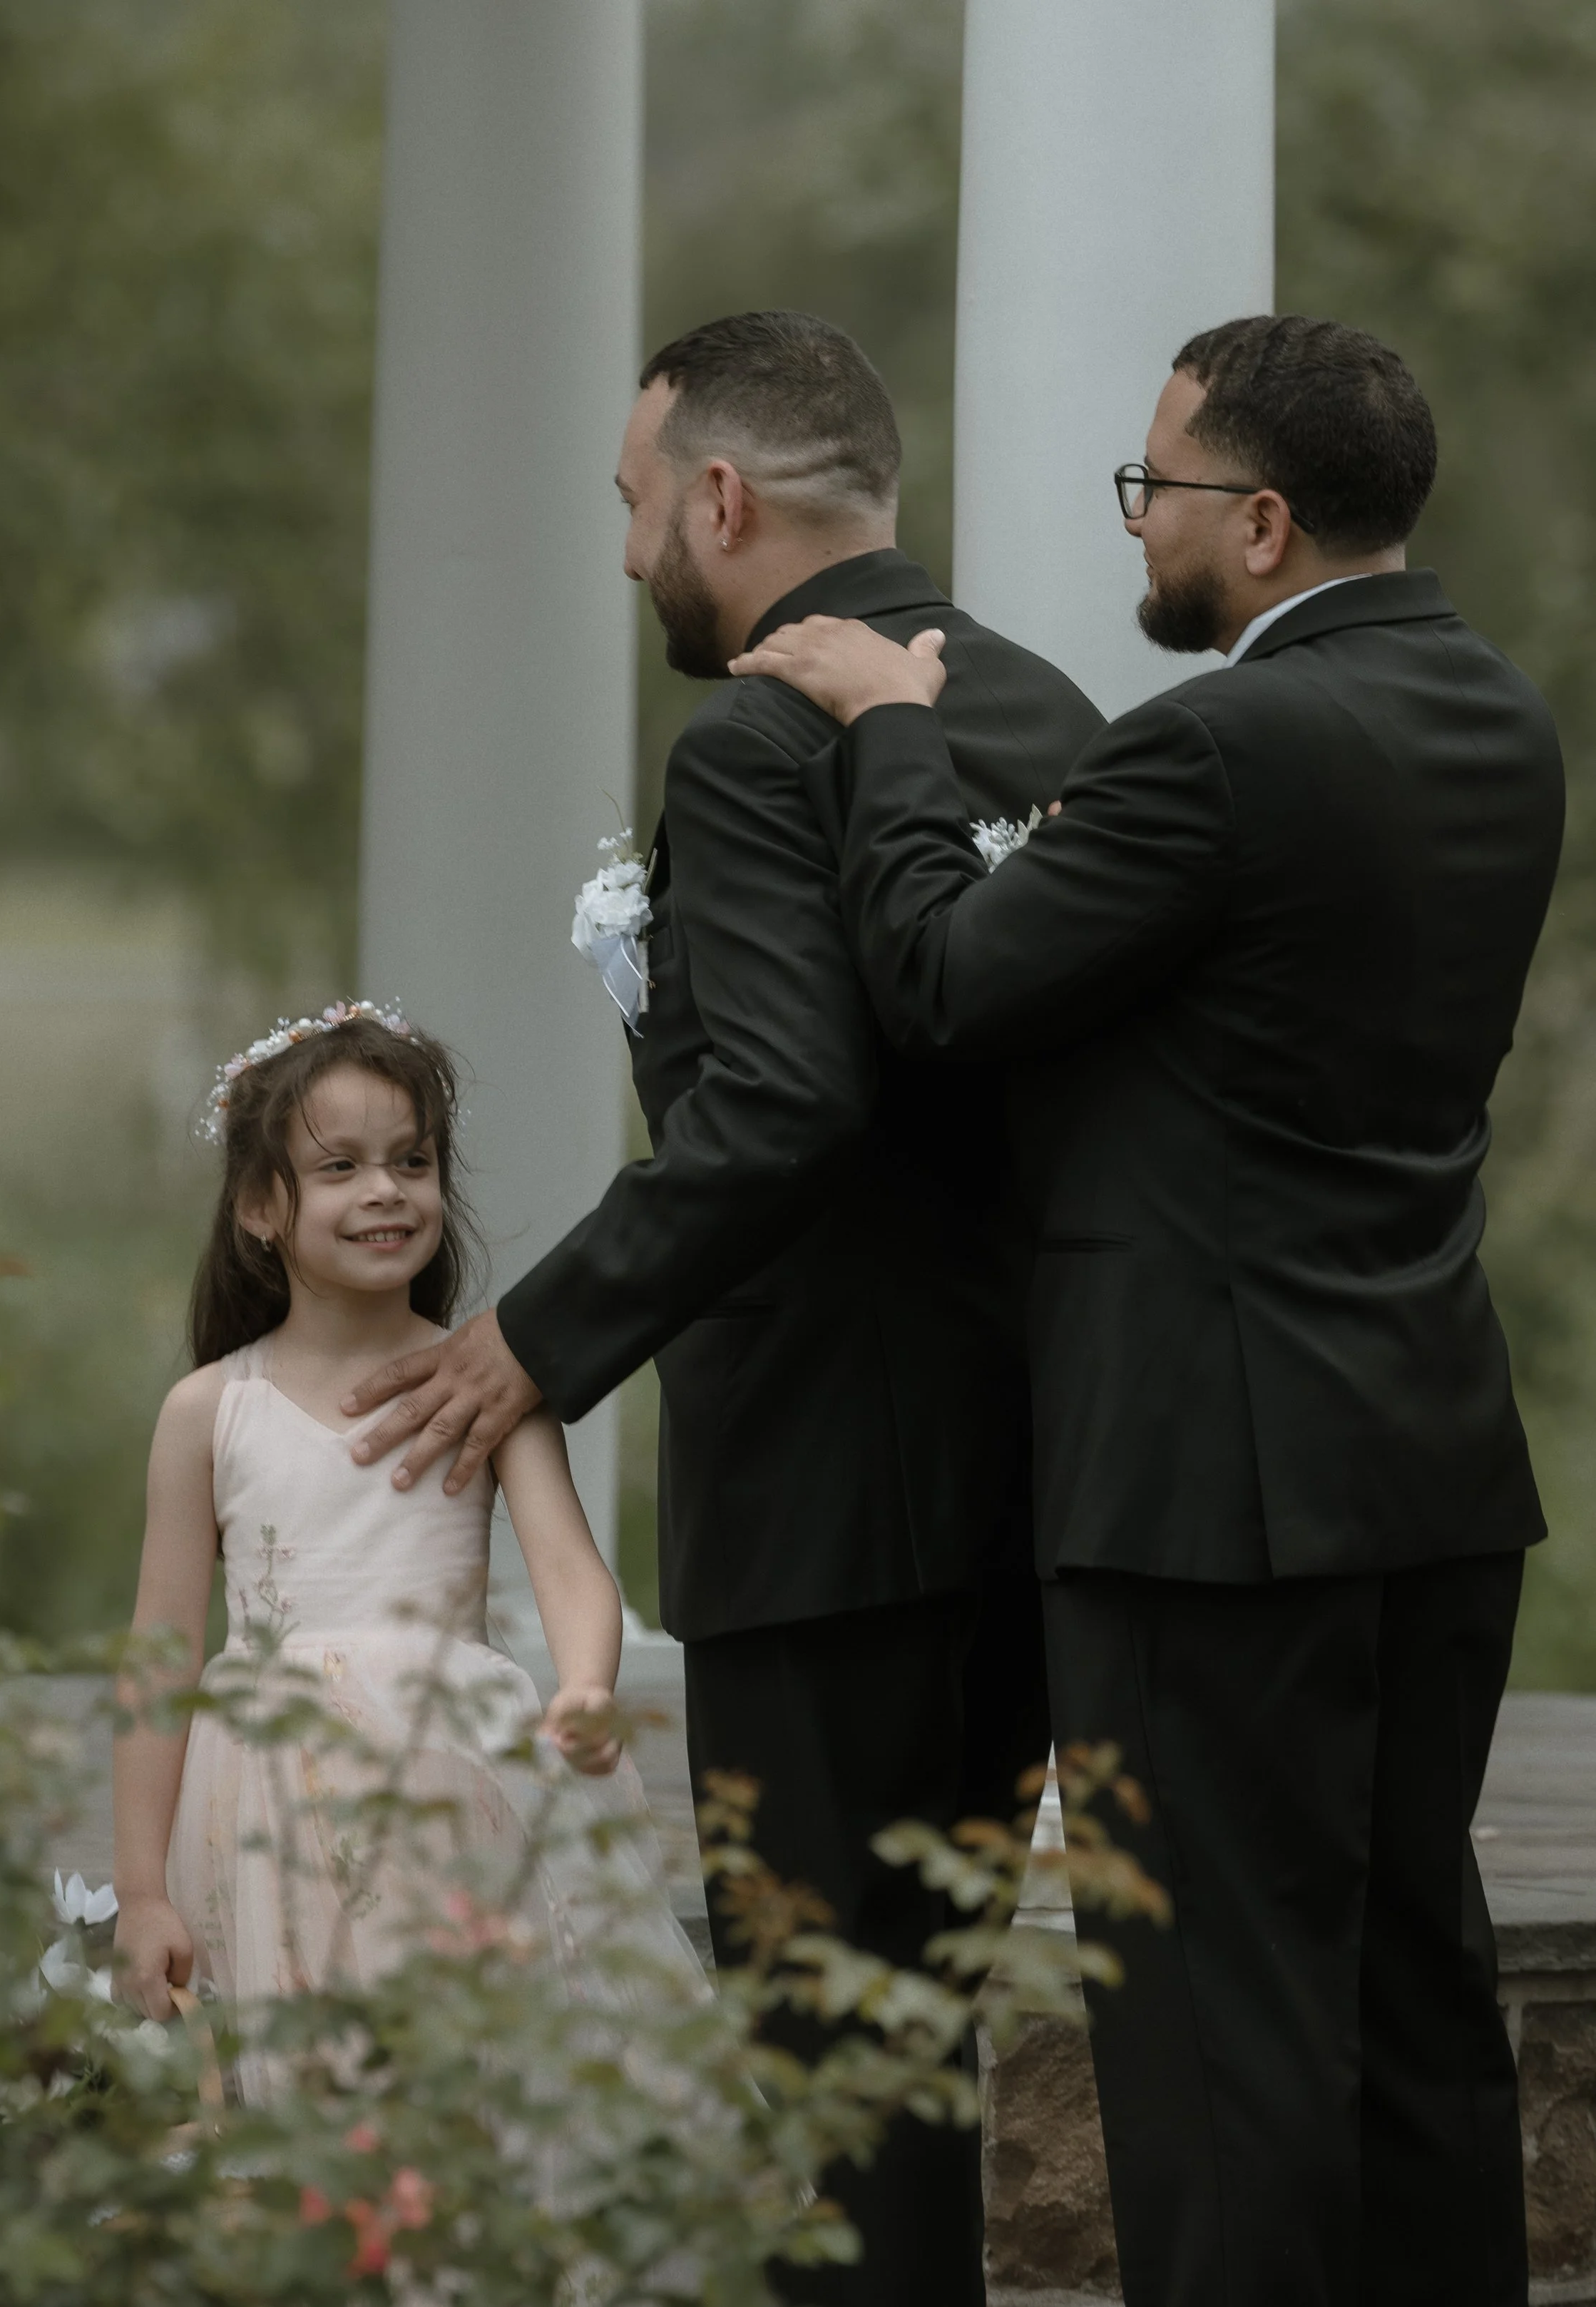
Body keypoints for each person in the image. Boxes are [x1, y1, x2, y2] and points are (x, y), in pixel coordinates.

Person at [731, 314, 1564, 2307]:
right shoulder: (1496, 717)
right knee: (1413, 2014)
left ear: (1258, 523)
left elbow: (941, 976)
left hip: (1208, 1501)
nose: (1138, 525)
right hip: (1430, 1475)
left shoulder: (1212, 742)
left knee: (1218, 2048)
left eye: (1154, 489)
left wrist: (886, 731)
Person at [342, 311, 1103, 2303]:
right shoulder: (1046, 713)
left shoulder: (764, 735)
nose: (621, 557)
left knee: (827, 2067)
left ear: (719, 498)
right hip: (1037, 1489)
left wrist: (536, 1336)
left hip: (831, 1510)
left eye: (626, 505)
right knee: (909, 2035)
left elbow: (780, 1099)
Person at [111, 1003, 696, 2092]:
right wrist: (141, 1888)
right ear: (257, 1206)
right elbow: (158, 1661)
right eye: (339, 1167)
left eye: (413, 1160)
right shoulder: (207, 1411)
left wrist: (586, 1683)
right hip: (265, 1809)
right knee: (311, 2090)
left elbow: (571, 1566)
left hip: (448, 1788)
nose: (386, 1190)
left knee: (460, 2083)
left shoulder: (488, 1381)